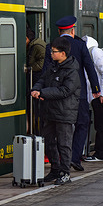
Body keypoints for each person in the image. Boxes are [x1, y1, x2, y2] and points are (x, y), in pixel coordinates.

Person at [43, 16, 100, 172]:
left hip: (56, 96)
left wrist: (45, 92)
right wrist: (96, 88)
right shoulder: (81, 45)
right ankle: (74, 158)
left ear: (59, 31)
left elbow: (45, 72)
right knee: (82, 124)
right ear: (73, 30)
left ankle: (58, 163)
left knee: (55, 131)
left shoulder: (51, 47)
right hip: (78, 94)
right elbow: (89, 67)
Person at [31, 37, 80, 185]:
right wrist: (36, 88)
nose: (51, 53)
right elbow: (43, 79)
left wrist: (43, 93)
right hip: (50, 112)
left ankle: (65, 173)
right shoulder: (53, 67)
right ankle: (55, 169)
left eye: (54, 51)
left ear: (63, 53)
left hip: (65, 113)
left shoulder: (72, 72)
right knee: (48, 141)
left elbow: (65, 91)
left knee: (64, 144)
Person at [26, 27, 46, 135]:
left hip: (36, 79)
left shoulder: (36, 46)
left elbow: (41, 63)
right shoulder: (35, 45)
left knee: (36, 110)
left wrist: (29, 68)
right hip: (36, 79)